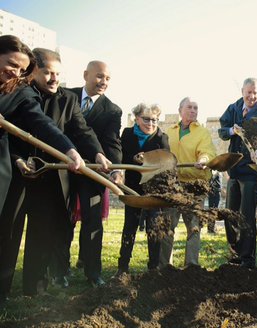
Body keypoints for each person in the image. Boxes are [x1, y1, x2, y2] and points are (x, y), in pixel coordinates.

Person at [5, 48, 109, 295]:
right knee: (9, 232)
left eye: (58, 73)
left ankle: (35, 286)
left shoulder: (67, 99)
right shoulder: (20, 94)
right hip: (17, 175)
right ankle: (3, 288)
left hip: (51, 179)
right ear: (33, 72)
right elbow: (11, 135)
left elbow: (82, 131)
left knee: (42, 232)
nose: (54, 79)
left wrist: (96, 152)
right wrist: (18, 159)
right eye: (48, 73)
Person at [0, 36, 84, 302]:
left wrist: (69, 150)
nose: (15, 72)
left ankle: (13, 292)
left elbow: (41, 123)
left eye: (21, 69)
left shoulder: (18, 91)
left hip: (23, 173)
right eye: (11, 64)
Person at [69, 60, 122, 287]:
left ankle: (93, 272)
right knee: (62, 219)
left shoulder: (112, 110)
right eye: (100, 76)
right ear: (85, 75)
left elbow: (112, 142)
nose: (104, 82)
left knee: (93, 222)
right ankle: (59, 271)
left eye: (108, 78)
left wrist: (117, 168)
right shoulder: (66, 96)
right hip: (62, 168)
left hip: (93, 172)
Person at [218, 78, 257, 269]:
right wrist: (231, 130)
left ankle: (247, 259)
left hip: (252, 170)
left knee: (247, 214)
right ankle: (235, 253)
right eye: (248, 92)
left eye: (255, 92)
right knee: (230, 214)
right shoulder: (233, 109)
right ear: (242, 90)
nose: (251, 96)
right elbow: (222, 131)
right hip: (234, 168)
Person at [116, 103, 170, 275]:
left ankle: (153, 268)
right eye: (146, 119)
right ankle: (123, 266)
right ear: (136, 118)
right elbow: (120, 156)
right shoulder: (127, 134)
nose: (151, 123)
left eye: (155, 120)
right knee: (129, 227)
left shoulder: (161, 137)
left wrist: (148, 160)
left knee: (154, 228)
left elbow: (167, 162)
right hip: (132, 189)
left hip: (154, 191)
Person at [163, 97, 217, 268]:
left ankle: (191, 266)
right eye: (190, 107)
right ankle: (165, 265)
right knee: (167, 224)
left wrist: (203, 159)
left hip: (195, 185)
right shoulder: (169, 131)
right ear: (180, 110)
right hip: (173, 184)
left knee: (193, 226)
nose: (193, 110)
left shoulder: (202, 132)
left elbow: (208, 152)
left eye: (196, 108)